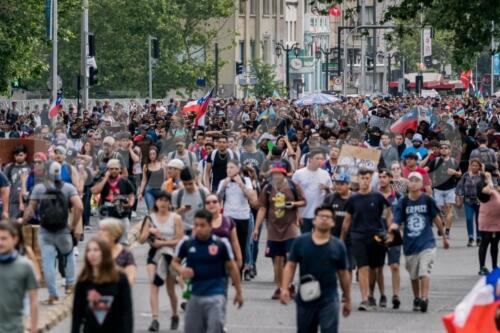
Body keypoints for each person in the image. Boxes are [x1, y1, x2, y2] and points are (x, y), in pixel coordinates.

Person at [280, 205, 351, 333]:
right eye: (321, 216)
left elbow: (343, 274)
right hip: (305, 298)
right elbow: (290, 266)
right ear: (314, 220)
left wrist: (348, 299)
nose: (324, 219)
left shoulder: (338, 246)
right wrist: (285, 288)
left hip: (329, 298)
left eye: (328, 217)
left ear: (333, 223)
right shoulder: (301, 242)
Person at [171, 209, 244, 333]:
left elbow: (232, 267)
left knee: (214, 328)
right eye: (196, 225)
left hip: (216, 295)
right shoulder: (187, 244)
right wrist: (182, 270)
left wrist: (239, 292)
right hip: (194, 295)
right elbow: (174, 262)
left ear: (210, 226)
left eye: (202, 225)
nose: (199, 228)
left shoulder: (221, 244)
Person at [21, 161, 83, 304]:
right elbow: (79, 207)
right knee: (68, 255)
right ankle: (70, 285)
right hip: (63, 229)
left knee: (48, 262)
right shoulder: (68, 188)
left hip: (45, 230)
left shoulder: (39, 188)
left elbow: (30, 211)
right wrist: (72, 226)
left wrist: (22, 221)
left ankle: (52, 294)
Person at [390, 172, 449, 313]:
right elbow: (397, 220)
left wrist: (444, 236)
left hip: (427, 242)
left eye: (417, 180)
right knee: (413, 275)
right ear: (407, 184)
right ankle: (416, 298)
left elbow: (436, 218)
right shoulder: (403, 202)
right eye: (411, 180)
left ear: (422, 184)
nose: (414, 183)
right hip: (410, 244)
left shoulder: (427, 200)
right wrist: (393, 228)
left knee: (424, 271)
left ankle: (424, 298)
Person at [340, 168, 393, 311]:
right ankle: (364, 299)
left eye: (367, 178)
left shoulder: (378, 197)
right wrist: (341, 239)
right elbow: (347, 221)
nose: (364, 180)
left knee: (374, 269)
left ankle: (371, 294)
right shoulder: (353, 199)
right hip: (358, 236)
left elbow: (388, 214)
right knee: (362, 267)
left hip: (376, 237)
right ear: (358, 179)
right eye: (362, 177)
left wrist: (390, 231)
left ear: (371, 179)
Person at [253, 162, 306, 300]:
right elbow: (263, 208)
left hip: (290, 226)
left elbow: (303, 201)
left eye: (279, 173)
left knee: (290, 256)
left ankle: (290, 284)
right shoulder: (268, 188)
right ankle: (280, 287)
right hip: (273, 227)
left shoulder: (293, 186)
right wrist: (256, 228)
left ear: (284, 174)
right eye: (274, 173)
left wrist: (293, 204)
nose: (276, 176)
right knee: (277, 258)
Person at [139, 192, 184, 331]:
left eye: (166, 200)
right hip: (154, 255)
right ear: (156, 202)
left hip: (170, 255)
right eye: (160, 200)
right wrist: (150, 231)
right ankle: (155, 319)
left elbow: (180, 239)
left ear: (170, 203)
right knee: (154, 285)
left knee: (170, 290)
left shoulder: (176, 218)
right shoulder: (150, 218)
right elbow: (141, 239)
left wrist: (163, 242)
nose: (163, 203)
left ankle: (175, 314)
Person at [71, 237, 133, 333]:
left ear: (105, 253)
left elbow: (127, 312)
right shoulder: (84, 280)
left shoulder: (119, 278)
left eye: (96, 250)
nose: (92, 254)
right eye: (89, 250)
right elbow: (77, 315)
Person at [217, 160, 257, 273]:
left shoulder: (246, 180)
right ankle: (228, 269)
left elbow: (251, 198)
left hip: (243, 216)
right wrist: (224, 186)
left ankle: (240, 270)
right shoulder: (223, 182)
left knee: (242, 244)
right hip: (228, 216)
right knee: (227, 244)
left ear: (238, 169)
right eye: (227, 167)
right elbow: (217, 199)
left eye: (232, 167)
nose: (229, 170)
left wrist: (241, 184)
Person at [0, 222, 38, 333]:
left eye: (4, 238)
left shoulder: (25, 266)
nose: (0, 242)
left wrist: (33, 328)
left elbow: (34, 300)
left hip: (16, 328)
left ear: (15, 239)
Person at [376, 169, 403, 309]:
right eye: (380, 177)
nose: (382, 179)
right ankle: (382, 295)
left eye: (384, 177)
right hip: (378, 234)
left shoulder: (398, 196)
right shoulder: (374, 195)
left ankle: (395, 295)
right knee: (378, 267)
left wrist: (401, 230)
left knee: (395, 266)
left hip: (394, 233)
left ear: (391, 178)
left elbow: (402, 214)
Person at [91, 159, 135, 244]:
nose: (114, 171)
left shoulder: (124, 181)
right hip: (106, 212)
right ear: (108, 170)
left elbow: (131, 194)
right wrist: (106, 178)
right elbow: (95, 191)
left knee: (123, 242)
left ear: (120, 170)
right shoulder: (102, 180)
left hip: (122, 212)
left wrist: (130, 203)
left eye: (116, 168)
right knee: (106, 241)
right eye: (111, 169)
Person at [323, 172, 355, 282]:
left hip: (350, 239)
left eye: (342, 183)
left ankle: (347, 294)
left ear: (348, 185)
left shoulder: (354, 198)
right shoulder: (330, 198)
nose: (339, 186)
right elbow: (323, 215)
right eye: (337, 183)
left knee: (348, 267)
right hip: (333, 238)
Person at [292, 149, 332, 233]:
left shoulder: (325, 174)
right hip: (304, 213)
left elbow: (331, 194)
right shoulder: (299, 173)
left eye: (322, 159)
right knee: (305, 239)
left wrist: (327, 189)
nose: (320, 161)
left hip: (319, 213)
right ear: (310, 159)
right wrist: (296, 213)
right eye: (317, 158)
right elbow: (293, 194)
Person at [426, 141, 462, 238]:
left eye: (446, 148)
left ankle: (447, 231)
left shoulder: (453, 161)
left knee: (449, 210)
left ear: (450, 150)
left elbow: (460, 174)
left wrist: (454, 172)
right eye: (442, 148)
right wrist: (425, 177)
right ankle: (441, 223)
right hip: (438, 189)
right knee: (438, 210)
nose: (444, 150)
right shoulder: (435, 161)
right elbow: (425, 170)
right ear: (439, 150)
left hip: (450, 189)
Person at [204, 193, 243, 269]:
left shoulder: (228, 221)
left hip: (225, 262)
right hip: (205, 262)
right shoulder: (200, 222)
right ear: (205, 206)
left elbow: (235, 242)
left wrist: (239, 259)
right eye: (208, 203)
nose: (211, 204)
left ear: (220, 204)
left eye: (214, 202)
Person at [98, 218, 136, 285]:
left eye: (104, 230)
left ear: (114, 234)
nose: (100, 233)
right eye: (100, 230)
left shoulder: (126, 255)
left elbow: (130, 278)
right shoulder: (95, 251)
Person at [172, 167, 209, 235]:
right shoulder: (176, 194)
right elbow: (171, 216)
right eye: (185, 184)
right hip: (183, 231)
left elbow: (209, 213)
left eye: (190, 183)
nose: (188, 186)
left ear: (195, 179)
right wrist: (179, 211)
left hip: (200, 230)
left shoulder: (204, 192)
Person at [477, 167, 500, 275]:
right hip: (486, 219)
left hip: (497, 220)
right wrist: (489, 179)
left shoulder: (494, 184)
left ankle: (495, 266)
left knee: (495, 245)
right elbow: (485, 191)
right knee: (484, 243)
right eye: (493, 173)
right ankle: (482, 267)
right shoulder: (481, 183)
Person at [456, 159, 484, 246]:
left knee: (479, 220)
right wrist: (459, 198)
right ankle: (470, 237)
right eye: (473, 165)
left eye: (476, 165)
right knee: (468, 219)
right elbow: (460, 187)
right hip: (468, 200)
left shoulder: (482, 175)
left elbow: (488, 186)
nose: (474, 167)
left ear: (479, 167)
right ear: (470, 166)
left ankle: (479, 238)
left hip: (480, 201)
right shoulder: (466, 175)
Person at [4, 145, 31, 218]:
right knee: (13, 223)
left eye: (21, 155)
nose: (18, 157)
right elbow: (4, 184)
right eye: (16, 155)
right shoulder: (9, 168)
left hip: (27, 202)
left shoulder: (30, 168)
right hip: (12, 201)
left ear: (25, 155)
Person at [138, 146, 167, 211]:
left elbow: (165, 178)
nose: (152, 156)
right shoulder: (146, 166)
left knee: (161, 210)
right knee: (151, 210)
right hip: (149, 190)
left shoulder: (162, 164)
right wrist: (140, 193)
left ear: (156, 154)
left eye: (153, 154)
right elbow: (144, 180)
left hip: (160, 190)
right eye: (150, 154)